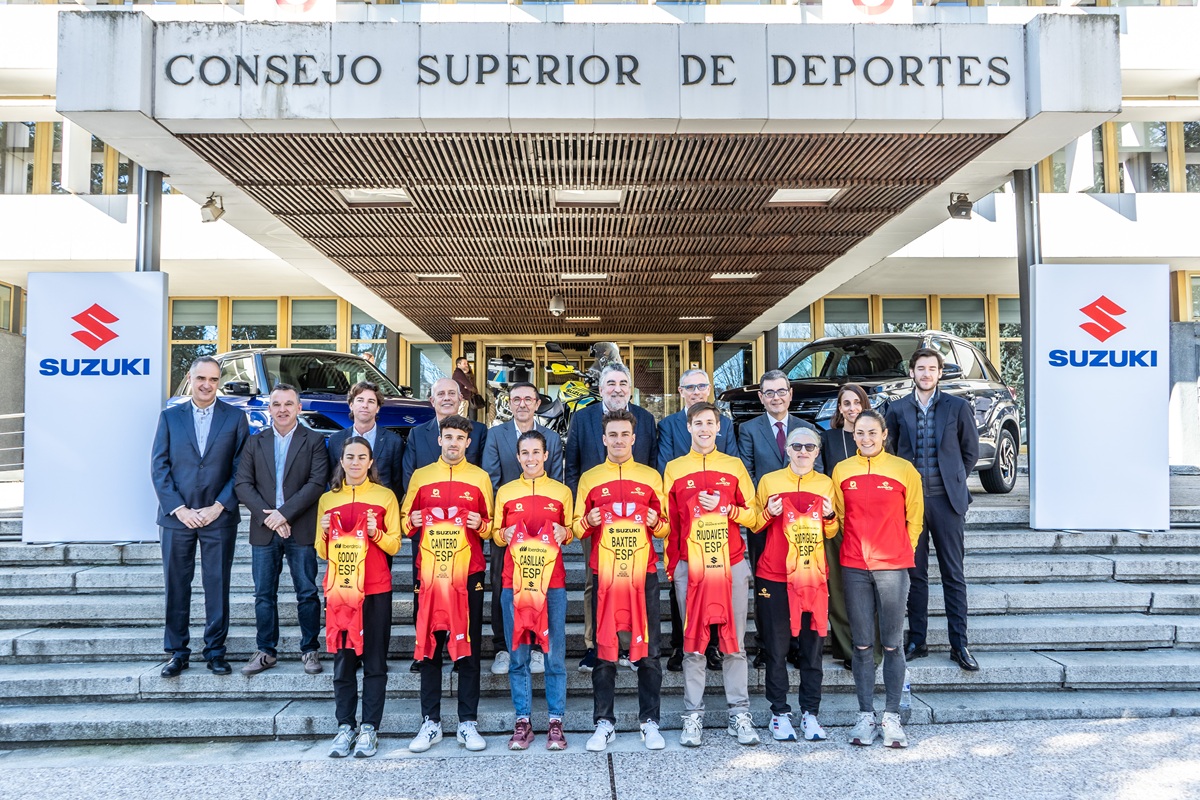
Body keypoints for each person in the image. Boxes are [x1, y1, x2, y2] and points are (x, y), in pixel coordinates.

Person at [662, 402, 760, 748]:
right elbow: (669, 523)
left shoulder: (733, 466)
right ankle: (693, 715)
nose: (704, 429)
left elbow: (754, 516)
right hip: (691, 566)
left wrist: (729, 509)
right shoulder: (674, 468)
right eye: (698, 423)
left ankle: (739, 714)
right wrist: (674, 565)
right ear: (688, 427)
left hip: (730, 563)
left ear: (719, 428)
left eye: (710, 423)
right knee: (693, 644)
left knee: (734, 643)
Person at [573, 410, 667, 753]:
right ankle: (604, 722)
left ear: (634, 438)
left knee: (649, 650)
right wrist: (588, 519)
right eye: (612, 434)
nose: (619, 440)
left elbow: (667, 527)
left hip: (644, 574)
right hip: (606, 575)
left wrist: (656, 522)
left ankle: (649, 722)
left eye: (624, 434)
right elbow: (575, 529)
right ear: (603, 439)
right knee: (604, 650)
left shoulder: (651, 476)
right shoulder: (590, 478)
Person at [150, 356, 249, 678]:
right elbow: (159, 466)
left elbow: (241, 469)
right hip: (176, 518)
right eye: (201, 378)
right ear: (190, 379)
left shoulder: (235, 418)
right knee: (176, 585)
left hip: (218, 517)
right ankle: (177, 652)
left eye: (214, 379)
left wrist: (219, 506)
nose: (207, 385)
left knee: (217, 585)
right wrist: (179, 508)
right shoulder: (170, 417)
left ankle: (215, 651)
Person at [884, 348, 981, 672]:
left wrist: (953, 480)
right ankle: (918, 640)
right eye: (921, 368)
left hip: (947, 502)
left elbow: (970, 452)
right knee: (916, 574)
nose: (926, 373)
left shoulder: (958, 406)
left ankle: (959, 644)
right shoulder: (897, 409)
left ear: (940, 373)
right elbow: (891, 452)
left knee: (953, 573)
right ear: (911, 372)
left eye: (932, 368)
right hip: (910, 504)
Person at [402, 415, 495, 754]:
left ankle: (467, 722)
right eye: (449, 437)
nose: (454, 443)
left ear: (468, 442)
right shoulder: (421, 476)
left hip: (468, 574)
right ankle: (431, 722)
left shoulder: (480, 477)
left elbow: (492, 527)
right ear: (439, 440)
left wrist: (480, 523)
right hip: (430, 575)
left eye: (460, 438)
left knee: (468, 646)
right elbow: (403, 521)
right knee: (430, 646)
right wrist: (411, 520)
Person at [832, 410, 923, 749]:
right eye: (860, 433)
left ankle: (892, 716)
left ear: (884, 434)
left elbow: (915, 518)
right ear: (853, 435)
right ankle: (865, 715)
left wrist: (900, 550)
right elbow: (840, 518)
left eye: (872, 432)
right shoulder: (842, 470)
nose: (866, 438)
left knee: (892, 643)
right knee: (861, 644)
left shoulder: (904, 469)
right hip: (854, 566)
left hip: (892, 567)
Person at [564, 363, 657, 672]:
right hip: (597, 520)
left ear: (630, 388)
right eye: (611, 383)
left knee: (633, 580)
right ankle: (595, 645)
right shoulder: (583, 418)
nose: (617, 388)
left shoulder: (645, 419)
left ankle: (630, 644)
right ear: (601, 388)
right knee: (595, 581)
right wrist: (582, 512)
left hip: (635, 523)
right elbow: (572, 467)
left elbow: (651, 464)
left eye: (623, 383)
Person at [234, 383, 330, 676]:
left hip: (300, 527)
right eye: (276, 404)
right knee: (264, 594)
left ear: (299, 408)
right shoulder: (255, 441)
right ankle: (266, 651)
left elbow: (316, 483)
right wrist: (271, 518)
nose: (283, 409)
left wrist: (284, 514)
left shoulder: (314, 440)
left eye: (289, 404)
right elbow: (242, 484)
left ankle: (310, 649)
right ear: (269, 408)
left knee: (307, 591)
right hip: (264, 529)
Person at [752, 426, 839, 743]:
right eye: (797, 446)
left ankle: (810, 713)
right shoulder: (769, 481)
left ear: (817, 452)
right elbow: (754, 524)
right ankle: (779, 713)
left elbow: (832, 531)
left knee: (812, 649)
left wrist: (830, 517)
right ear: (787, 450)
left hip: (811, 576)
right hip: (774, 575)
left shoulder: (826, 484)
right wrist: (767, 513)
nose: (803, 451)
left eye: (809, 447)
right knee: (776, 648)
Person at [317, 437, 401, 759]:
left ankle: (369, 728)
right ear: (341, 461)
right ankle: (344, 726)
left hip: (376, 589)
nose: (355, 462)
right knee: (344, 661)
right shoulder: (328, 499)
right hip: (341, 591)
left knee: (375, 661)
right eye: (349, 457)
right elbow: (321, 550)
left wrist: (376, 532)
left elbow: (395, 545)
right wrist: (325, 532)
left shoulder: (385, 497)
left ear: (370, 462)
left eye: (361, 457)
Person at [491, 430, 574, 751]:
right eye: (525, 453)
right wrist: (504, 533)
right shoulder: (506, 492)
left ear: (546, 455)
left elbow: (572, 530)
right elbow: (495, 533)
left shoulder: (562, 492)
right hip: (514, 584)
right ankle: (523, 721)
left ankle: (555, 722)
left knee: (554, 656)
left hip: (552, 585)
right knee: (519, 656)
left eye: (536, 452)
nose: (530, 458)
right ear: (518, 457)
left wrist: (565, 531)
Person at [402, 377, 488, 671]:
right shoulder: (417, 434)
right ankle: (426, 651)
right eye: (442, 393)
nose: (447, 397)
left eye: (453, 392)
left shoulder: (479, 432)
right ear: (432, 400)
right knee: (426, 595)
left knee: (463, 598)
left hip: (464, 540)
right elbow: (410, 477)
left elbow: (480, 479)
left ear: (461, 398)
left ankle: (461, 651)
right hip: (428, 535)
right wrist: (416, 517)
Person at [737, 369, 822, 668]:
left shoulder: (806, 428)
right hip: (765, 521)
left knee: (801, 579)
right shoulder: (749, 429)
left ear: (790, 394)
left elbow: (817, 471)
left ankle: (796, 643)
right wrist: (766, 506)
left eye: (781, 391)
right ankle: (766, 644)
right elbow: (746, 473)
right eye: (770, 392)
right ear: (761, 397)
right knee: (765, 584)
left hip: (803, 524)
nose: (776, 397)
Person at [655, 369, 735, 672]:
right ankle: (680, 645)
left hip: (718, 519)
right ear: (680, 391)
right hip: (682, 518)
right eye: (690, 387)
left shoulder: (725, 424)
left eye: (702, 386)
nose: (696, 391)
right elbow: (665, 466)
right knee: (681, 583)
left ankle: (713, 645)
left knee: (716, 582)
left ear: (709, 389)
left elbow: (733, 463)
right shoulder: (668, 425)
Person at [482, 381, 564, 677]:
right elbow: (491, 480)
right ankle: (503, 647)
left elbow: (556, 479)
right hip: (507, 526)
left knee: (541, 584)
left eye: (528, 399)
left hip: (543, 529)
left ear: (537, 403)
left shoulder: (551, 438)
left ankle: (539, 647)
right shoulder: (496, 435)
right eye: (516, 399)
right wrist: (503, 523)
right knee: (502, 584)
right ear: (509, 403)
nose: (522, 404)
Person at [819, 383, 872, 669]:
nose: (852, 408)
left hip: (871, 525)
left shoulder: (874, 438)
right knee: (838, 589)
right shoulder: (828, 439)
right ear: (839, 408)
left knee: (868, 590)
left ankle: (871, 648)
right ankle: (847, 649)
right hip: (837, 524)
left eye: (857, 402)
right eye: (846, 403)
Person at [327, 381, 404, 499]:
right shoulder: (335, 440)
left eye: (371, 401)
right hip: (345, 504)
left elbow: (397, 483)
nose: (365, 405)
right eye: (360, 400)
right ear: (351, 405)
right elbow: (332, 478)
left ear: (378, 408)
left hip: (381, 504)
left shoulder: (393, 442)